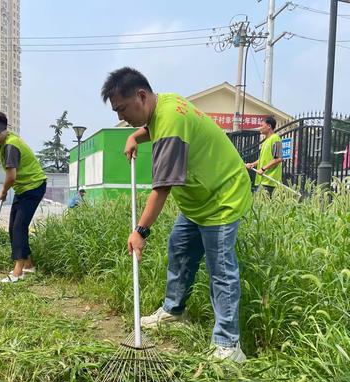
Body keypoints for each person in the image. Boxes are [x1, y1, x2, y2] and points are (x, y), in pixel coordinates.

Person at [101, 67, 252, 362]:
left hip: (222, 197)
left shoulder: (170, 121)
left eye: (122, 109)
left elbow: (162, 188)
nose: (122, 117)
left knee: (220, 268)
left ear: (141, 96)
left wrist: (140, 231)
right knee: (180, 249)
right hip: (198, 198)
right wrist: (135, 136)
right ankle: (174, 311)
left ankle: (228, 344)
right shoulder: (164, 103)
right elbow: (150, 127)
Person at [0, 111, 47, 283]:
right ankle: (28, 265)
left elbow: (11, 176)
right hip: (23, 188)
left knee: (18, 227)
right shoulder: (3, 141)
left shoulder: (10, 145)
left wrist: (3, 191)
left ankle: (18, 272)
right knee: (14, 226)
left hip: (33, 187)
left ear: (2, 129)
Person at [245, 117, 283, 197]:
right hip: (263, 180)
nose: (260, 128)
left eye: (261, 125)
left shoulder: (276, 139)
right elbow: (263, 159)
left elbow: (279, 158)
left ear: (269, 126)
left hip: (270, 180)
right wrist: (253, 164)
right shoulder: (266, 141)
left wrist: (263, 169)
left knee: (260, 205)